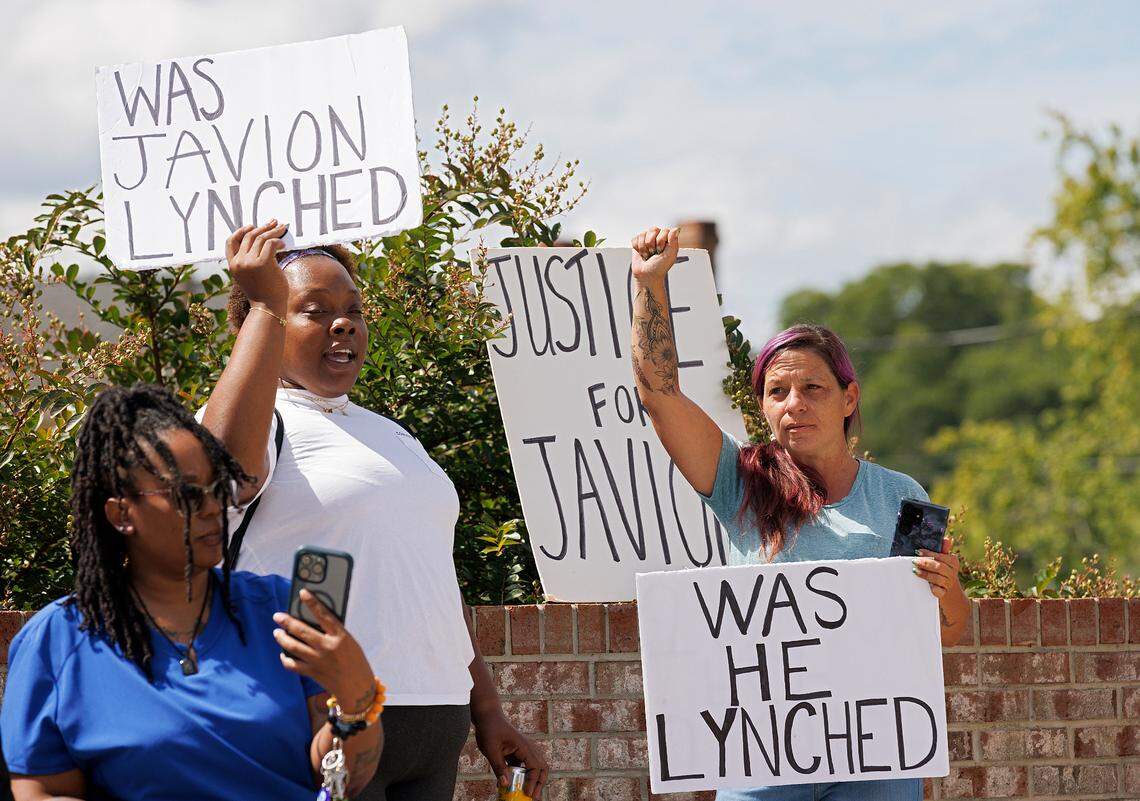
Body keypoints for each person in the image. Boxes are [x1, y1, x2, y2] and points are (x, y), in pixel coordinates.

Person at [199, 221, 548, 801]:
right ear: (262, 324)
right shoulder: (260, 420)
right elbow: (218, 476)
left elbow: (433, 579)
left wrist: (486, 708)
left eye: (354, 310)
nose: (344, 323)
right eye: (312, 310)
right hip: (317, 716)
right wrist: (266, 300)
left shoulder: (392, 436)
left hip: (434, 719)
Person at [629, 226, 969, 801]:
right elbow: (659, 395)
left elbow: (942, 635)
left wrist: (949, 591)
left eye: (813, 387)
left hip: (874, 755)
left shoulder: (902, 496)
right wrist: (649, 284)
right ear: (761, 406)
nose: (795, 405)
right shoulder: (738, 479)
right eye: (777, 391)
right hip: (761, 754)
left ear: (849, 399)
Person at [1, 384, 382, 801]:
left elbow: (342, 781)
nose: (211, 506)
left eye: (218, 487)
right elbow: (43, 791)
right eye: (186, 494)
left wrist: (355, 695)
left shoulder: (279, 612)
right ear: (121, 513)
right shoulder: (57, 641)